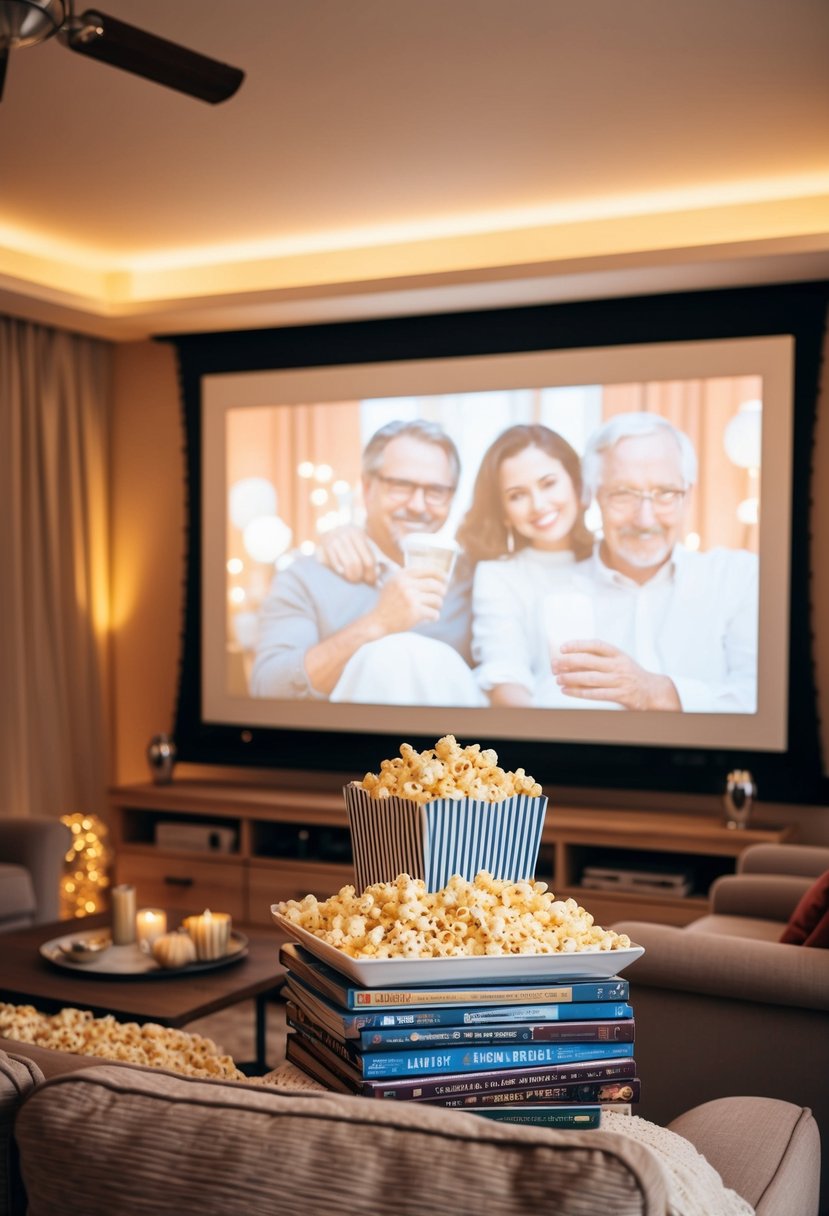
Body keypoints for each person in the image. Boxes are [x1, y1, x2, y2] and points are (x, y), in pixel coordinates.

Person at [250, 419, 483, 705]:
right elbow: (268, 688)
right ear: (367, 487)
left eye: (435, 491)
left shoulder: (473, 577)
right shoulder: (305, 576)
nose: (418, 505)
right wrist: (378, 623)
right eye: (401, 485)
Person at [553, 411, 758, 712]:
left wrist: (657, 693)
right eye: (623, 493)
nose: (645, 519)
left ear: (687, 496)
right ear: (594, 496)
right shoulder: (554, 589)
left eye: (664, 493)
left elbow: (759, 699)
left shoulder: (738, 577)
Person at [454, 424, 594, 708]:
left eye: (548, 483)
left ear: (576, 483)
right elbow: (505, 675)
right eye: (517, 495)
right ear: (503, 512)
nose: (538, 505)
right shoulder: (498, 575)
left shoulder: (612, 561)